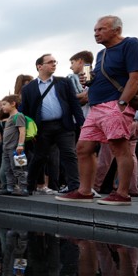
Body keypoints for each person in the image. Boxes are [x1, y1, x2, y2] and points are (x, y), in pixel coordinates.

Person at [58, 15, 138, 206]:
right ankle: (85, 191)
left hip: (114, 104)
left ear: (116, 30)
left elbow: (136, 77)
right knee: (83, 148)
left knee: (119, 148)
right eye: (95, 30)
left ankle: (123, 194)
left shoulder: (130, 44)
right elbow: (100, 78)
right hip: (97, 107)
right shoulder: (101, 54)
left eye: (101, 29)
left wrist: (122, 104)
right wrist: (89, 81)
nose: (96, 33)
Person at [22, 54, 85, 195]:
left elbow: (74, 104)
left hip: (63, 125)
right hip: (42, 128)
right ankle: (29, 187)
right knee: (39, 157)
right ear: (40, 66)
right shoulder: (28, 89)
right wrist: (26, 131)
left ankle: (74, 187)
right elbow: (25, 112)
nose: (54, 64)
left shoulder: (63, 82)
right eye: (50, 62)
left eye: (55, 61)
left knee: (69, 154)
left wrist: (82, 123)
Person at [0, 95, 28, 196]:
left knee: (19, 168)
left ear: (13, 104)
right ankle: (10, 187)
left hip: (15, 148)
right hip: (6, 148)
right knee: (7, 169)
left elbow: (22, 131)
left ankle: (23, 188)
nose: (2, 107)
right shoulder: (10, 117)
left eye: (4, 104)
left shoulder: (18, 116)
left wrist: (20, 145)